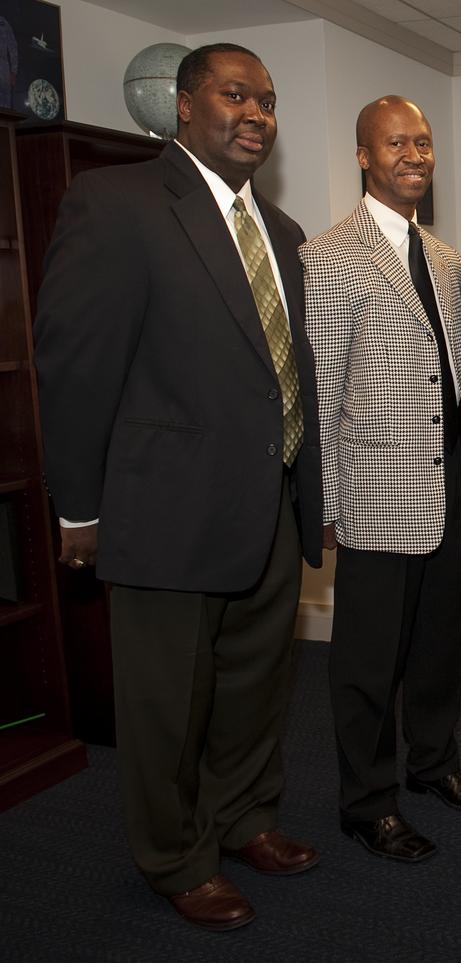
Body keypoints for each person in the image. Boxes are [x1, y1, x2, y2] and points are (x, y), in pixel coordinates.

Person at [33, 44, 322, 931]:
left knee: (253, 685)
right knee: (166, 700)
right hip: (163, 509)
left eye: (268, 102)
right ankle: (174, 857)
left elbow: (282, 369)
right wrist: (79, 507)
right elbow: (76, 365)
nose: (256, 114)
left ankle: (242, 819)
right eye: (236, 95)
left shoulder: (280, 231)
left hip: (268, 501)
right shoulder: (116, 204)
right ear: (184, 105)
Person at [302, 96, 461, 864]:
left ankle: (434, 763)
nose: (414, 155)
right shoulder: (328, 257)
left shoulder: (446, 259)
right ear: (363, 155)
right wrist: (321, 501)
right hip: (374, 492)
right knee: (367, 660)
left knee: (441, 644)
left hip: (448, 481)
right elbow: (319, 391)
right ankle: (366, 802)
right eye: (396, 143)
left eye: (423, 141)